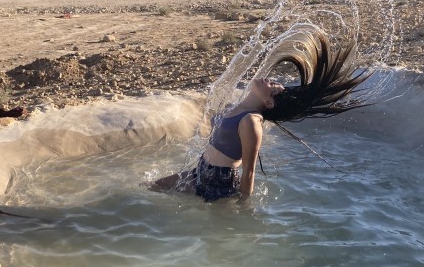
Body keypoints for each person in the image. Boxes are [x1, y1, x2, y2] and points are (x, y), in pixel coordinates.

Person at [152, 30, 369, 202]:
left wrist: (244, 207)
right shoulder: (235, 106)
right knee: (152, 188)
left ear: (269, 102)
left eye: (274, 87)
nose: (271, 81)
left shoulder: (251, 122)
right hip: (200, 170)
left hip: (219, 180)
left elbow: (248, 172)